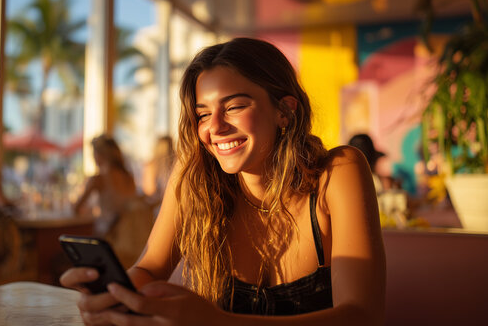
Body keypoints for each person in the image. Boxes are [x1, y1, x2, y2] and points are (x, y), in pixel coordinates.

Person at [61, 38, 386, 325]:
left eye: (235, 106)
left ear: (284, 111)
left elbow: (361, 315)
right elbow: (149, 269)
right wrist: (116, 296)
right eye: (203, 114)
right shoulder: (194, 177)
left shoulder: (339, 172)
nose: (214, 127)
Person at [73, 134, 137, 236]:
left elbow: (76, 208)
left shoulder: (98, 179)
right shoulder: (129, 177)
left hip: (108, 238)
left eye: (93, 153)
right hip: (131, 240)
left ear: (99, 155)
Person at [141, 135, 176, 208]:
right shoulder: (177, 164)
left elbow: (149, 191)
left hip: (156, 208)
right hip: (173, 207)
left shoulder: (151, 166)